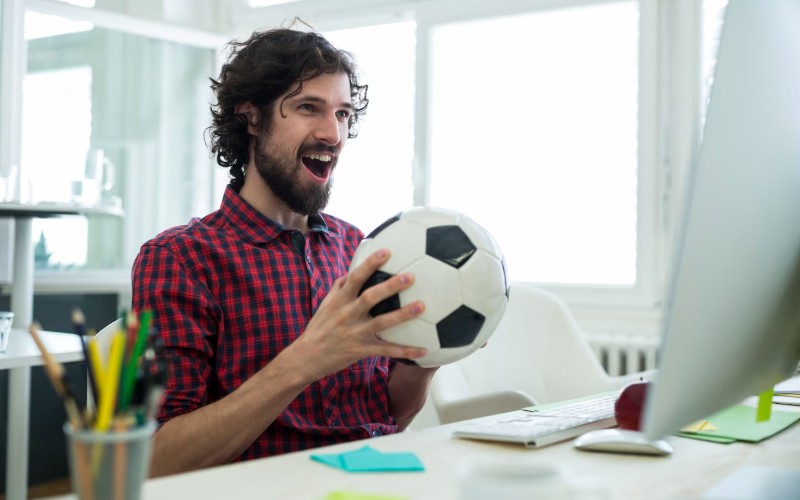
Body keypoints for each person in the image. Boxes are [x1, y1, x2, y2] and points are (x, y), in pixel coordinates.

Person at [131, 27, 437, 477]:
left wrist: (428, 358)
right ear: (251, 118)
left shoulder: (360, 248)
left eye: (344, 114)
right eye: (308, 108)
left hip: (372, 482)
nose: (333, 134)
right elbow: (156, 461)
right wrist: (305, 360)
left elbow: (388, 417)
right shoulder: (180, 259)